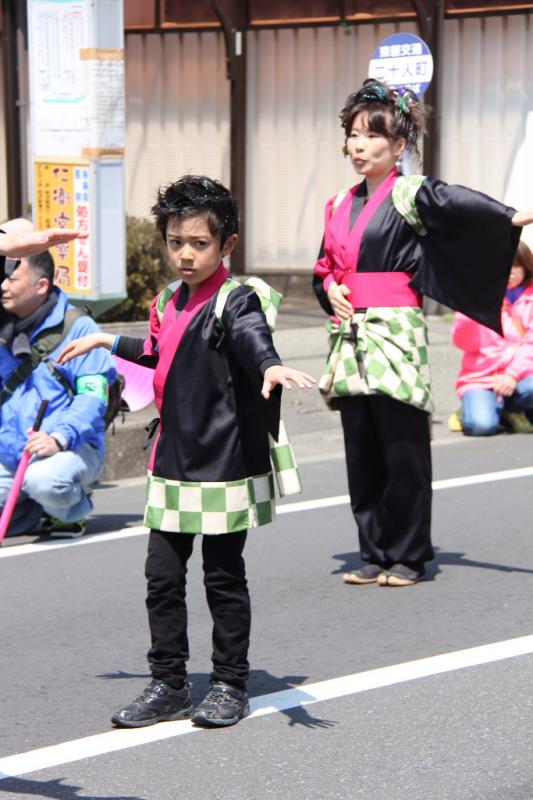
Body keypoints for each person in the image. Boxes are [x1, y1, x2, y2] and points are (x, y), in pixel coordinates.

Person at [58, 175, 315, 729]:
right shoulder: (166, 300)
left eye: (199, 243)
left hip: (224, 461)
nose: (185, 254)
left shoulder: (236, 298)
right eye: (176, 241)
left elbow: (251, 337)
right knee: (161, 577)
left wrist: (269, 365)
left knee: (223, 577)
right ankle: (169, 683)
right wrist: (107, 340)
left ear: (228, 245)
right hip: (172, 457)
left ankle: (229, 683)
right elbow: (158, 351)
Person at [313, 78, 533, 587]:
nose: (359, 145)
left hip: (394, 332)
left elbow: (468, 208)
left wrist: (516, 216)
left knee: (402, 445)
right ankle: (374, 550)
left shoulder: (411, 192)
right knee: (360, 446)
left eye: (372, 136)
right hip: (348, 336)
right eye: (353, 134)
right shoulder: (335, 205)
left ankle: (409, 554)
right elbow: (322, 269)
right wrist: (331, 290)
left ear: (399, 145)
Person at [0, 250, 117, 538]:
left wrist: (58, 438)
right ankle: (32, 510)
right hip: (10, 453)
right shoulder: (4, 327)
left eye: (12, 279)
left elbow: (93, 397)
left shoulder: (79, 328)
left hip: (69, 448)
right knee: (32, 482)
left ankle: (71, 510)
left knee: (45, 480)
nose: (2, 286)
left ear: (41, 286)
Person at [451, 240, 533, 436]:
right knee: (482, 426)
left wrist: (512, 374)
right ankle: (474, 409)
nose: (510, 272)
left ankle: (509, 409)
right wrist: (468, 311)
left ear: (526, 266)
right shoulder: (479, 299)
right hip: (481, 378)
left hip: (521, 375)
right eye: (503, 267)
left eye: (515, 266)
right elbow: (464, 343)